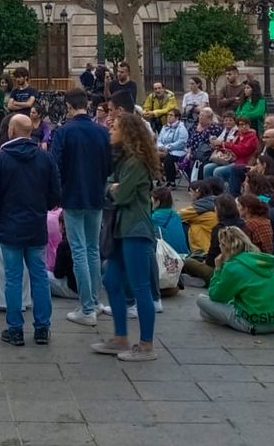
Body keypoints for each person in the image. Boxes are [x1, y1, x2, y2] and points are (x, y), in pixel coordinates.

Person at [0, 113, 61, 346]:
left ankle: (15, 328)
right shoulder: (45, 158)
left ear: (11, 131)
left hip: (10, 225)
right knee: (39, 276)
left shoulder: (0, 158)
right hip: (36, 224)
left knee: (13, 277)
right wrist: (43, 208)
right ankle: (42, 328)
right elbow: (55, 192)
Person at [89, 112, 160, 361]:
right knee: (111, 280)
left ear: (127, 133)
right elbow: (108, 185)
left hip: (136, 229)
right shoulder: (123, 160)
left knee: (140, 286)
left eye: (115, 128)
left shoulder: (136, 163)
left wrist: (112, 188)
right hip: (120, 228)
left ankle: (147, 344)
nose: (110, 131)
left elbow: (122, 195)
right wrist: (112, 186)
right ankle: (120, 337)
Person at [49, 88, 111, 326]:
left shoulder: (64, 132)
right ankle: (94, 301)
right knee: (93, 249)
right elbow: (109, 165)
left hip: (72, 196)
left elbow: (55, 165)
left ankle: (87, 308)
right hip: (96, 196)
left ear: (68, 106)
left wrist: (57, 192)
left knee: (79, 250)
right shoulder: (102, 131)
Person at [196, 227, 274, 334]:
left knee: (201, 300)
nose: (219, 246)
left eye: (220, 244)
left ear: (225, 246)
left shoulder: (233, 267)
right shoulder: (261, 260)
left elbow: (215, 295)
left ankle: (226, 320)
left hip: (253, 324)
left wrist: (218, 269)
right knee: (209, 311)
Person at [157, 108, 188, 182]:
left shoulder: (182, 128)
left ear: (177, 117)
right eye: (168, 115)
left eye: (171, 115)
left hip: (178, 151)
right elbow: (159, 139)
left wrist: (167, 148)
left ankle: (171, 181)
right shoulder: (165, 127)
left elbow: (181, 143)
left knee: (168, 159)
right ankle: (159, 179)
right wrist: (161, 147)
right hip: (164, 150)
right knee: (153, 156)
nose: (168, 117)